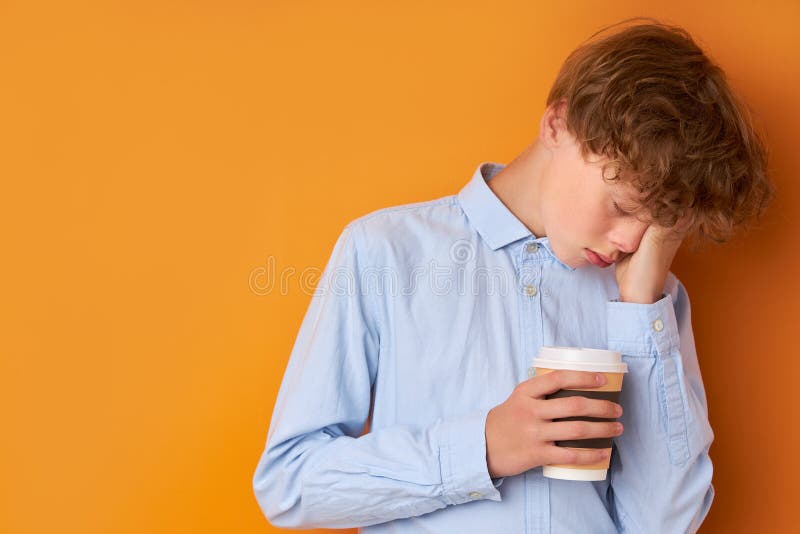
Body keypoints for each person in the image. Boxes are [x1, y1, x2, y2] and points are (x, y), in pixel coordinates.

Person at [252, 18, 773, 533]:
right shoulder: (386, 252)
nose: (630, 242)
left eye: (657, 228)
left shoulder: (653, 301)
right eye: (620, 206)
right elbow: (290, 483)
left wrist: (640, 311)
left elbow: (664, 525)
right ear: (558, 126)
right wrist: (480, 448)